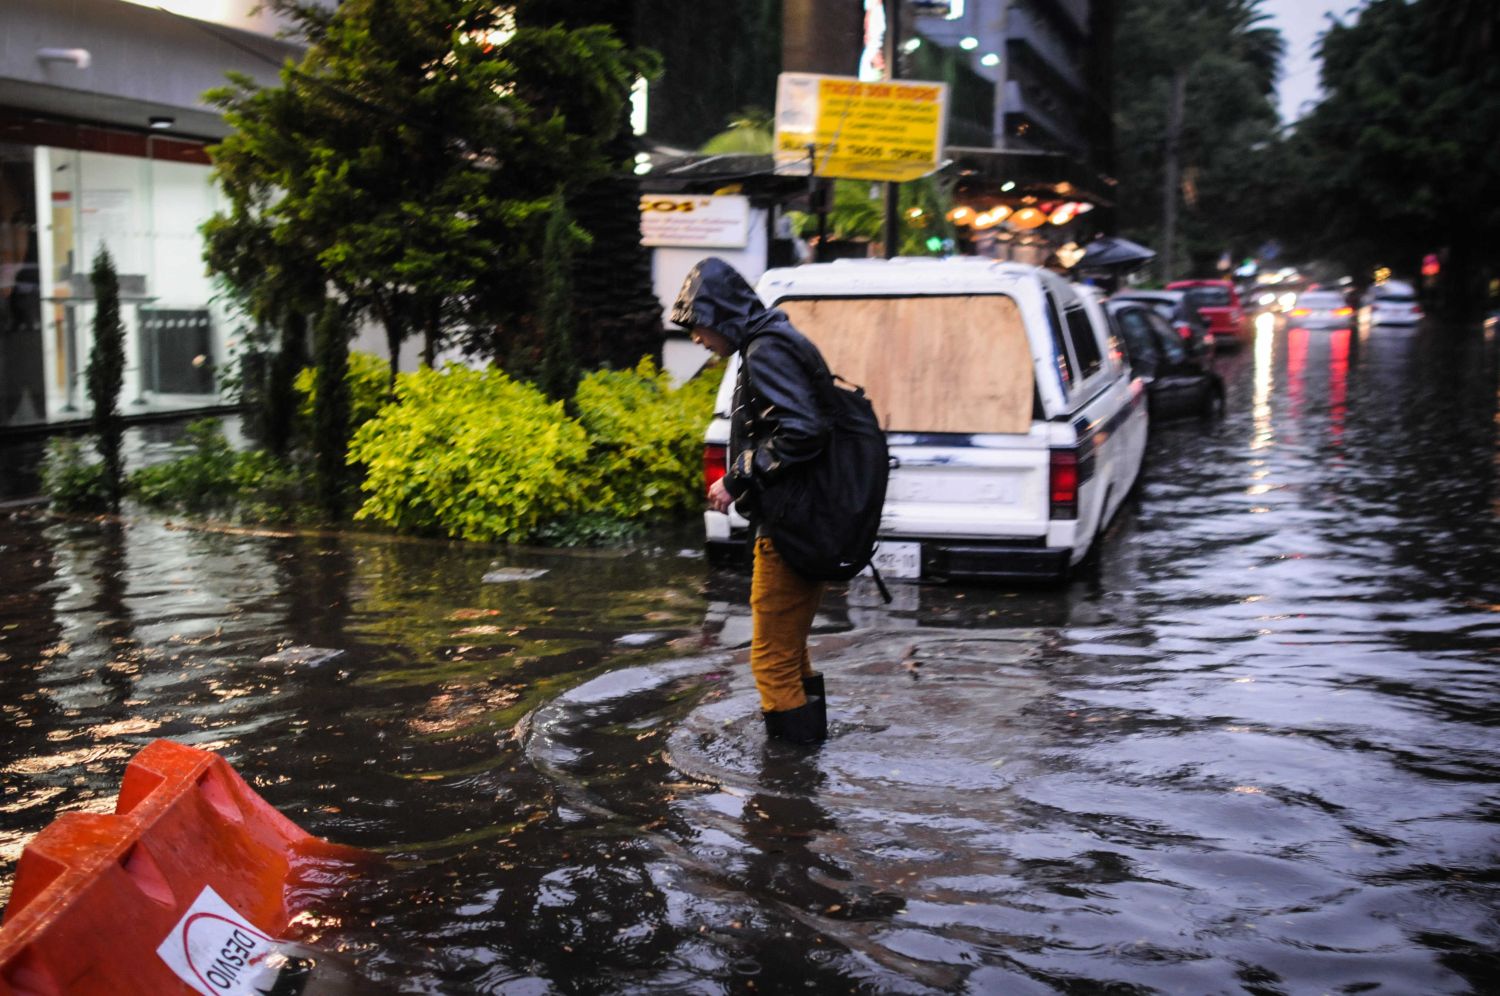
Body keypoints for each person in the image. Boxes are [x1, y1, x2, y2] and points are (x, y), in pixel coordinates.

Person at [671, 257, 831, 745]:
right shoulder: (772, 343)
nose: (697, 338)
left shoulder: (766, 351)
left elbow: (803, 430)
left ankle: (787, 786)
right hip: (804, 518)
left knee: (769, 659)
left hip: (788, 525)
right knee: (791, 651)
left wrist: (737, 478)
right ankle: (810, 757)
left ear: (719, 314)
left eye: (697, 326)